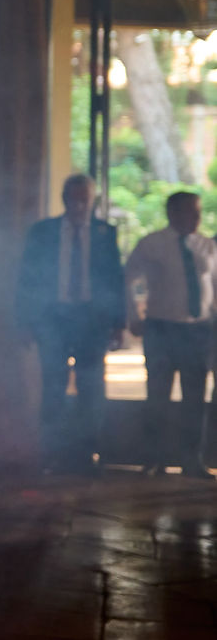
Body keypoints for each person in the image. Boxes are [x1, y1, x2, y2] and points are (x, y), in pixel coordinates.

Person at [15, 174, 124, 474]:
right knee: (53, 387)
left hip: (92, 320)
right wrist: (23, 321)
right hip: (52, 319)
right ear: (64, 199)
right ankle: (51, 454)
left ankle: (88, 454)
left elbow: (116, 280)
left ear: (92, 201)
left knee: (91, 389)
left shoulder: (105, 233)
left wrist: (118, 322)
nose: (79, 205)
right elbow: (27, 278)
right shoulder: (43, 232)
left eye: (84, 199)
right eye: (74, 199)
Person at [126, 191, 217, 479]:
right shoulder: (152, 244)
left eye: (198, 212)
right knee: (158, 396)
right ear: (172, 213)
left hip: (197, 329)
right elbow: (128, 278)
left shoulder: (206, 245)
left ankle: (192, 460)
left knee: (194, 398)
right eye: (191, 212)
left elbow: (213, 286)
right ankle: (154, 459)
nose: (196, 218)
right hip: (162, 328)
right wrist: (132, 315)